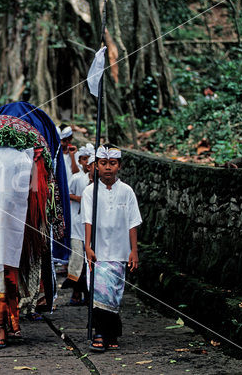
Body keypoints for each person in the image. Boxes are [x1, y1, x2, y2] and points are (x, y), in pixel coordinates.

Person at [82, 145, 142, 353]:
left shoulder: (127, 191)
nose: (108, 168)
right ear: (96, 166)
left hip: (119, 251)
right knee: (99, 292)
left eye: (112, 163)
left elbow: (133, 222)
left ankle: (112, 332)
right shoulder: (90, 192)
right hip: (98, 251)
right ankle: (100, 333)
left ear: (119, 166)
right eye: (103, 163)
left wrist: (133, 250)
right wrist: (87, 247)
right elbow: (87, 220)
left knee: (114, 294)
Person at [62, 144, 93, 305]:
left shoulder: (98, 182)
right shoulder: (77, 178)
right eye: (84, 159)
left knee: (89, 261)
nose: (87, 163)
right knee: (77, 258)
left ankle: (88, 294)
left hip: (90, 227)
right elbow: (66, 194)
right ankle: (75, 293)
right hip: (77, 223)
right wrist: (81, 199)